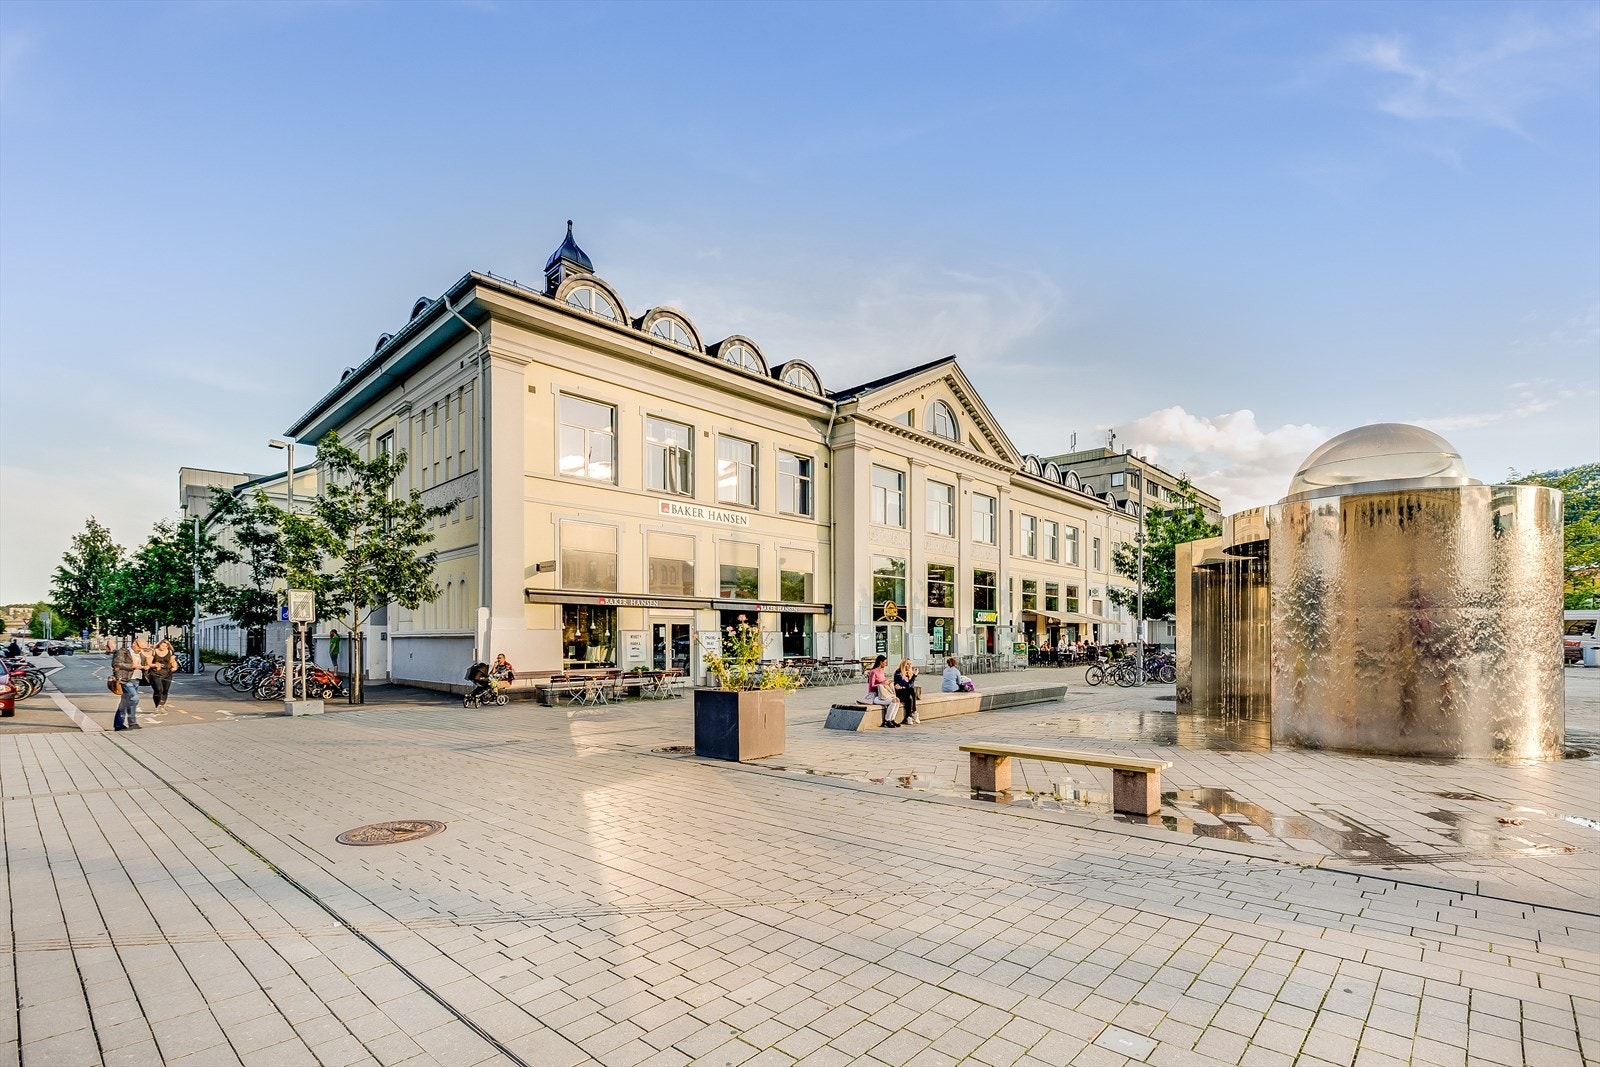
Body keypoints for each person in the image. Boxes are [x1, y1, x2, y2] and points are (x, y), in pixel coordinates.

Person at [111, 639, 149, 731]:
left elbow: (145, 662)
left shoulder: (141, 653)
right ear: (134, 644)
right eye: (140, 647)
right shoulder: (122, 652)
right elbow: (116, 664)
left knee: (125, 701)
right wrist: (132, 666)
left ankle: (124, 724)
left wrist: (146, 666)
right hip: (125, 679)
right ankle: (127, 722)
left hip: (136, 679)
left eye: (143, 648)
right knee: (134, 697)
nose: (141, 650)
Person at [863, 654, 897, 727]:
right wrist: (883, 683)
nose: (886, 664)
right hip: (874, 695)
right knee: (893, 701)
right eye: (885, 662)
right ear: (881, 662)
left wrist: (888, 682)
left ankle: (892, 719)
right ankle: (887, 720)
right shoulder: (873, 672)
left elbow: (883, 682)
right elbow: (871, 686)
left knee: (897, 699)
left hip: (883, 694)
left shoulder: (881, 671)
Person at [147, 640, 178, 709]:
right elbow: (149, 663)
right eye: (162, 645)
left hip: (167, 673)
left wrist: (174, 667)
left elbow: (172, 661)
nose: (164, 647)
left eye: (166, 646)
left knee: (165, 689)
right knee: (158, 689)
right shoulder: (154, 651)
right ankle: (157, 705)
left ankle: (162, 705)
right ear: (159, 645)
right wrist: (155, 665)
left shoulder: (170, 652)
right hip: (155, 673)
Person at [892, 659, 920, 725]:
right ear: (903, 664)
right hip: (899, 694)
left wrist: (905, 685)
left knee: (910, 698)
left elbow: (910, 686)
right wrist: (914, 676)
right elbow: (907, 684)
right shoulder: (898, 673)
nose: (909, 666)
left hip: (907, 693)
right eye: (907, 664)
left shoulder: (909, 673)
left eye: (910, 664)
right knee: (910, 693)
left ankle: (910, 715)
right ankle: (913, 713)